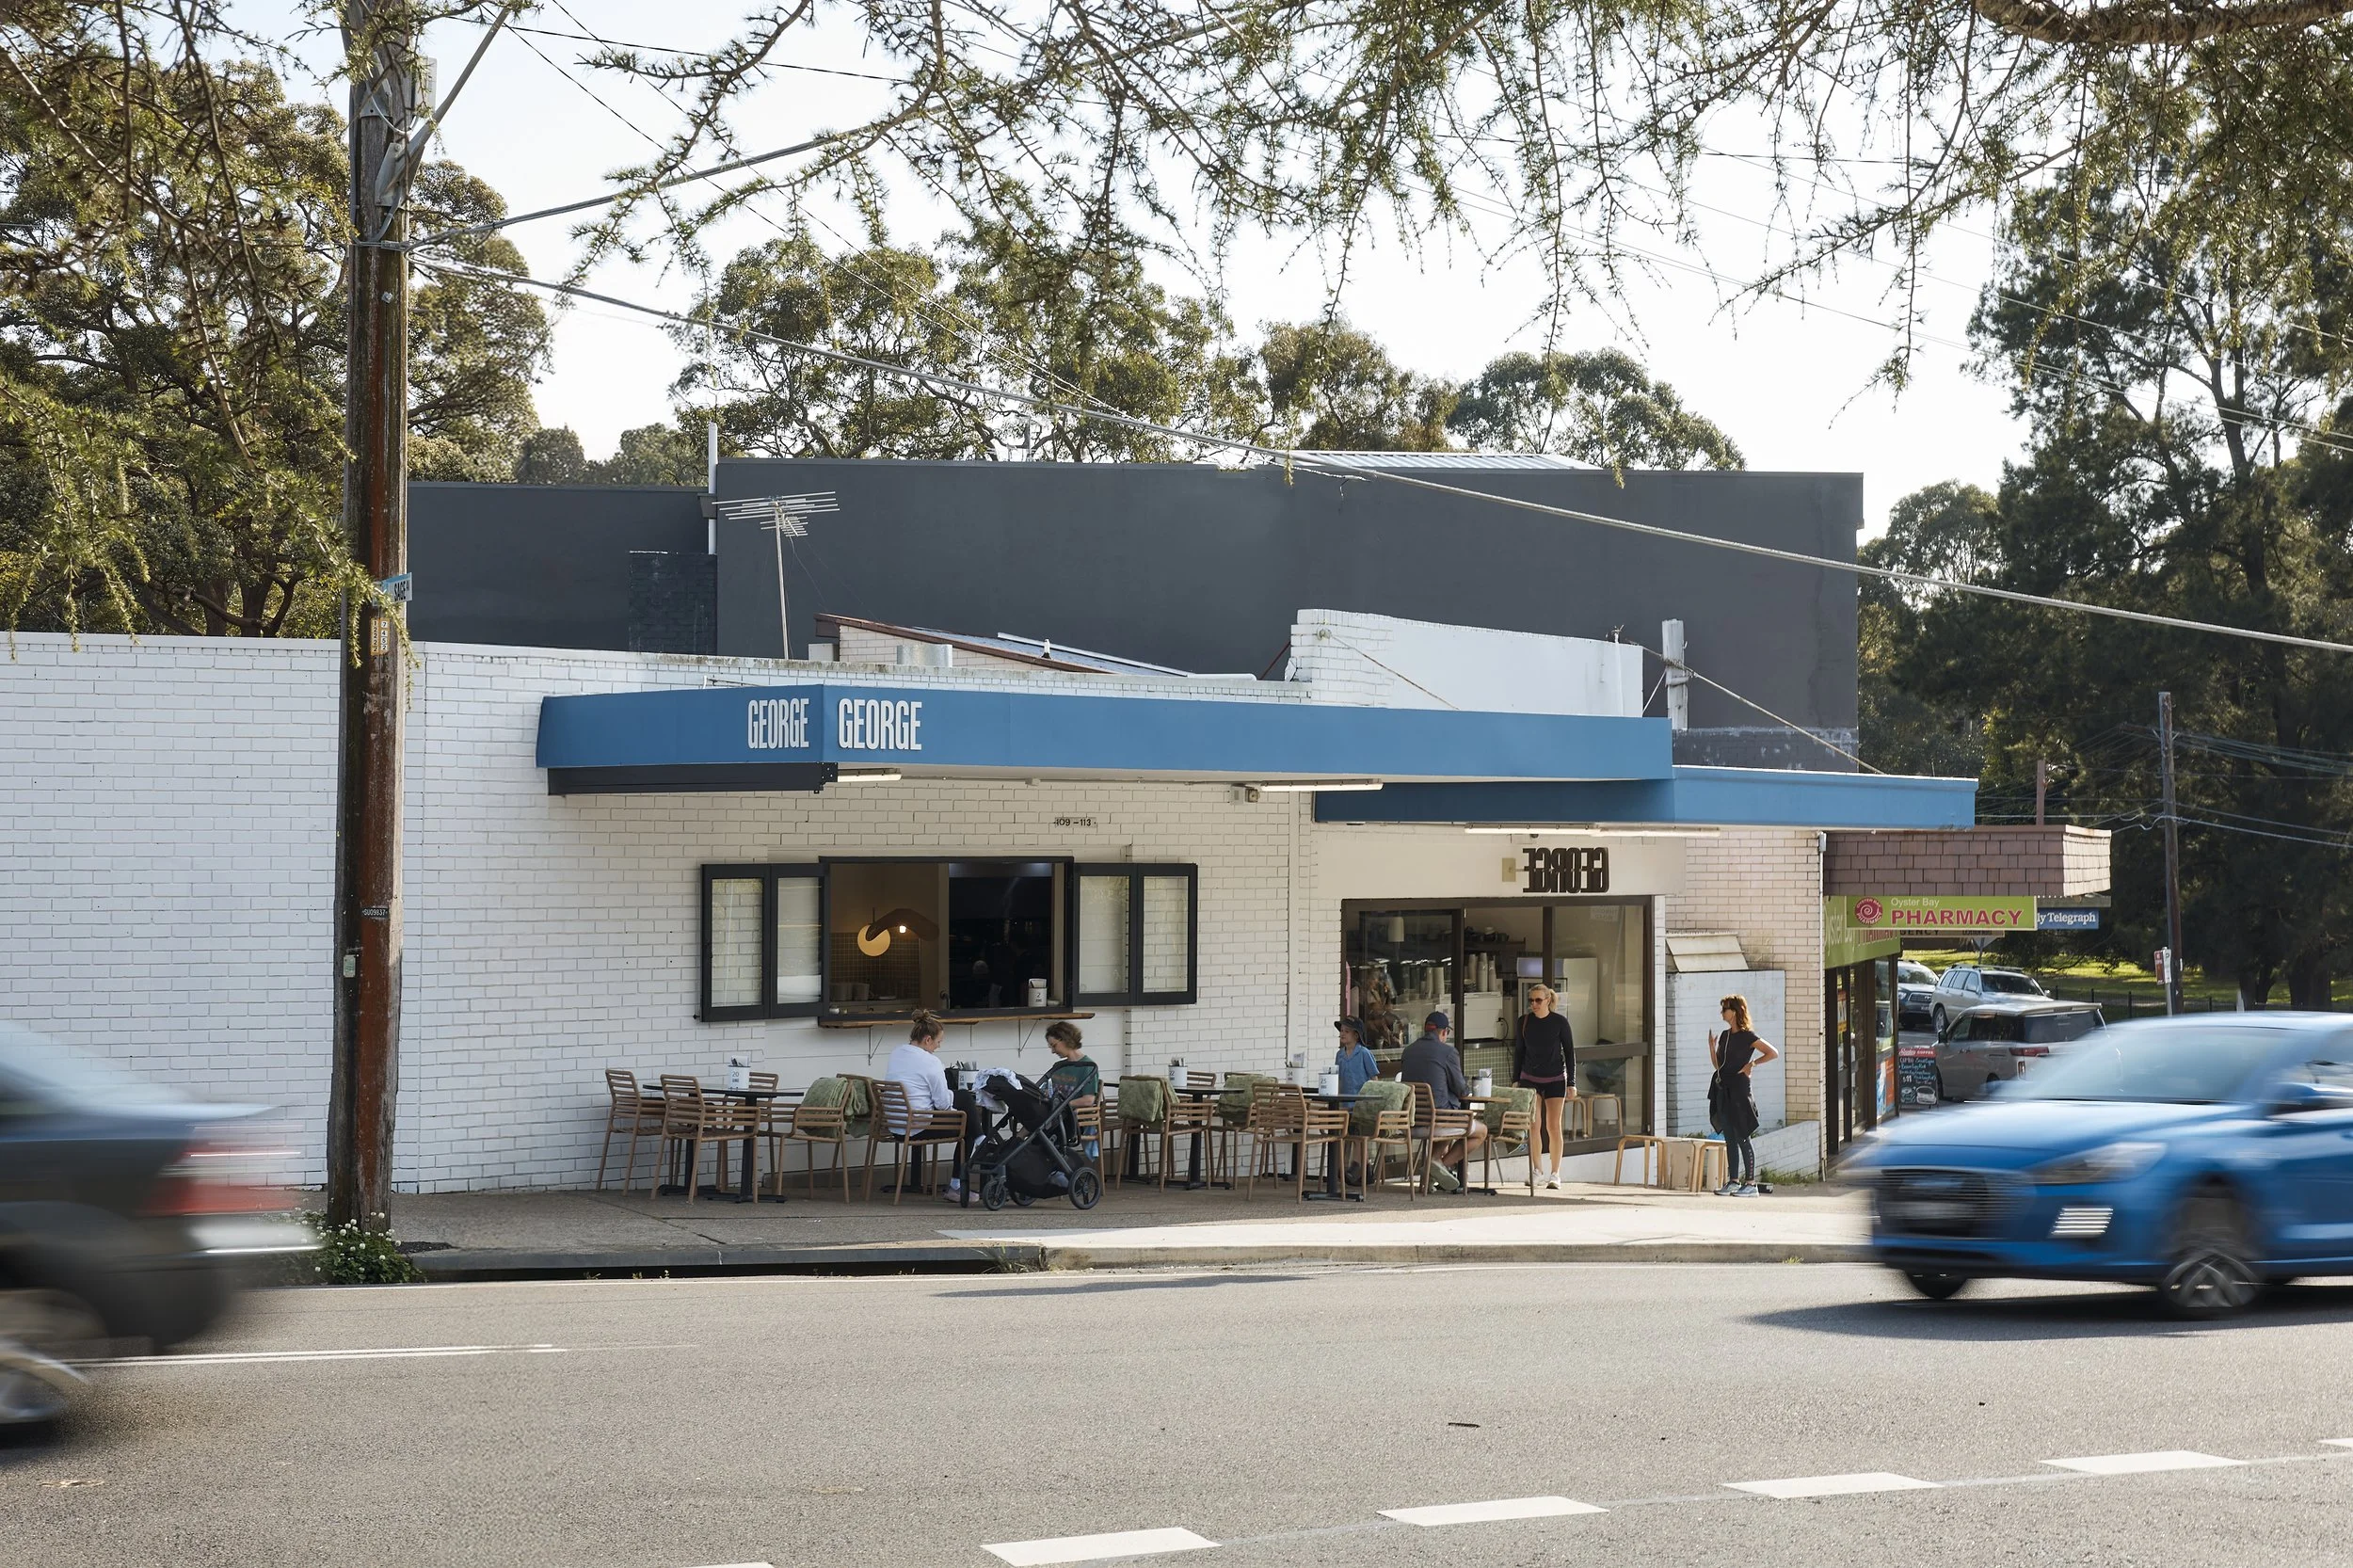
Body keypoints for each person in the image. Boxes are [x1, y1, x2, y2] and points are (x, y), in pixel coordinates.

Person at [1400, 1010, 1486, 1191]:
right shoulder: (1448, 1052)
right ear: (1444, 1032)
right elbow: (1461, 1089)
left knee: (1448, 1117)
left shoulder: (1408, 1051)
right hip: (1439, 1120)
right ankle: (1439, 1166)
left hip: (1413, 1121)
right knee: (1481, 1131)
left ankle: (1433, 1168)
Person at [1708, 994, 1780, 1196]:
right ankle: (1733, 1181)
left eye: (1725, 1009)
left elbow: (1772, 1052)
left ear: (1735, 1011)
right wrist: (1712, 1049)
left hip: (1740, 1090)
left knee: (1742, 1135)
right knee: (1729, 1136)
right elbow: (1719, 1066)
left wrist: (1752, 1064)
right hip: (1723, 1088)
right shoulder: (1724, 1035)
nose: (1722, 1013)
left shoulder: (1748, 1036)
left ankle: (1751, 1184)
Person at [886, 1011, 963, 1199]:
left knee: (961, 1101)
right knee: (965, 1125)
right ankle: (956, 1186)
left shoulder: (897, 1053)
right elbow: (943, 1104)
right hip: (917, 1126)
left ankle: (980, 1136)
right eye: (938, 1042)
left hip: (896, 1125)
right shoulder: (931, 1062)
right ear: (928, 1040)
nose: (939, 1046)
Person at [1513, 984, 1576, 1190]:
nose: (1534, 1004)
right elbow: (1519, 1052)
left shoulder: (1560, 1023)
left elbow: (1570, 1053)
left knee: (1553, 1126)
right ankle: (1537, 1170)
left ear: (1548, 1000)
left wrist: (1572, 1083)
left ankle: (1555, 1173)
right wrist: (1515, 1079)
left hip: (1555, 1078)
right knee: (1533, 1125)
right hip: (1530, 1078)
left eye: (1538, 1000)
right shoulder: (1524, 1022)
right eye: (1531, 1000)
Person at [1040, 1020, 1099, 1104]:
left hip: (1072, 1115)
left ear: (1065, 1040)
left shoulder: (1089, 1067)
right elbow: (1047, 1090)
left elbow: (1088, 1100)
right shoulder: (1059, 1066)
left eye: (1054, 1046)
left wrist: (1062, 1106)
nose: (1053, 1051)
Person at [1333, 1016, 1380, 1096]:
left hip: (1362, 1101)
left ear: (1356, 1035)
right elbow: (1339, 1079)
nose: (1342, 1034)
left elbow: (1374, 1078)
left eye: (1347, 1031)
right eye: (1341, 1030)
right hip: (1343, 1101)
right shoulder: (1339, 1054)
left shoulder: (1364, 1053)